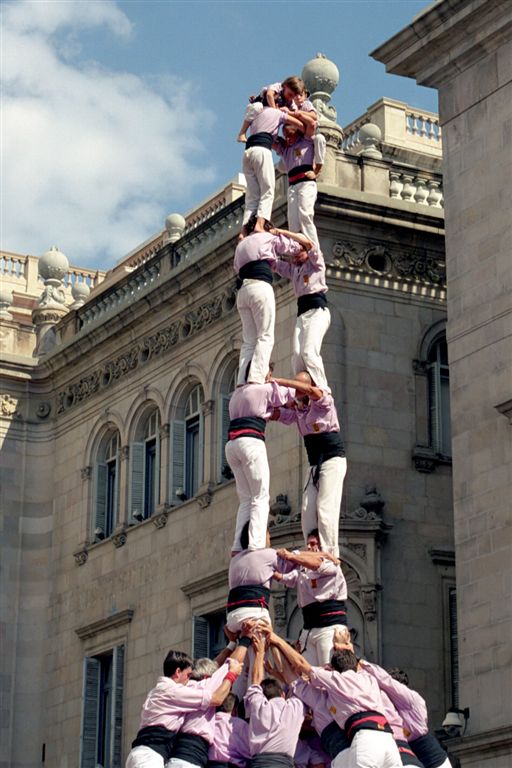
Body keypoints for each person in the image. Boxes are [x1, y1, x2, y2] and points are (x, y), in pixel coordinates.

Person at [267, 634, 403, 768]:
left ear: (332, 670)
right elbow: (290, 674)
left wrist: (275, 640)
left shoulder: (334, 683)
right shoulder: (368, 679)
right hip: (386, 739)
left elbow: (298, 668)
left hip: (359, 741)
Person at [271, 372, 347, 557]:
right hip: (314, 465)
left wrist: (279, 381)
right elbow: (276, 413)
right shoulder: (299, 412)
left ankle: (330, 555)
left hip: (332, 460)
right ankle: (312, 549)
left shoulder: (323, 402)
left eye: (299, 388)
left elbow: (310, 390)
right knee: (307, 509)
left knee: (325, 507)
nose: (296, 392)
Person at [126, 650, 242, 768]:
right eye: (188, 676)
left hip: (139, 754)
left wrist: (231, 645)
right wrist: (232, 674)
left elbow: (210, 678)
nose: (189, 681)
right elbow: (216, 698)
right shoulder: (173, 691)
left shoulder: (158, 689)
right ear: (177, 672)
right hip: (149, 757)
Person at [234, 219, 313, 387]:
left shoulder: (240, 246)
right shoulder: (266, 237)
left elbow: (237, 268)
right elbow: (298, 247)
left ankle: (242, 379)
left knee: (249, 340)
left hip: (243, 292)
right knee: (265, 336)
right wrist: (280, 233)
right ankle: (256, 377)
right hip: (260, 287)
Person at [225, 370, 295, 551]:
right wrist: (278, 381)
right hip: (251, 443)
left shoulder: (236, 396)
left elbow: (273, 412)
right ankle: (255, 544)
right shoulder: (262, 389)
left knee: (246, 499)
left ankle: (238, 546)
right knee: (260, 497)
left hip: (232, 446)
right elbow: (293, 393)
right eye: (268, 372)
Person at [273, 529, 348, 665]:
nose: (308, 547)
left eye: (313, 544)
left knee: (328, 671)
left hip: (329, 627)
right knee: (307, 675)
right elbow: (288, 577)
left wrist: (292, 555)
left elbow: (317, 564)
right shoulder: (303, 569)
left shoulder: (331, 563)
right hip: (309, 628)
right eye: (307, 544)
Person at [271, 225, 330, 389]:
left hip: (317, 311)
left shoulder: (316, 263)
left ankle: (322, 389)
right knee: (297, 356)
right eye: (293, 254)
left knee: (309, 352)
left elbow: (309, 244)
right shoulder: (295, 270)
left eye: (298, 252)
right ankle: (302, 392)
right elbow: (275, 264)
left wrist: (283, 232)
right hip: (302, 313)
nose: (295, 257)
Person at [361, 664, 451, 768]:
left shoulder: (412, 699)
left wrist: (362, 665)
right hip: (409, 755)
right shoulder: (389, 706)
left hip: (433, 758)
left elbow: (387, 682)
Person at [240, 106, 305, 235]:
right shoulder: (278, 113)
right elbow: (301, 125)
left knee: (252, 197)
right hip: (262, 151)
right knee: (268, 190)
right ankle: (259, 225)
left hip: (248, 152)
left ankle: (243, 232)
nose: (287, 139)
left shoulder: (258, 114)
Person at [244, 633, 306, 768]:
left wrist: (259, 653)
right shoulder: (295, 706)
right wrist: (276, 644)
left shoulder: (258, 705)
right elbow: (294, 681)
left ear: (263, 695)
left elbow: (255, 681)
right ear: (283, 694)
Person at [274, 127, 326, 248]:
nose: (288, 138)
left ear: (297, 132)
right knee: (293, 222)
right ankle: (297, 249)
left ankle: (314, 249)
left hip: (306, 182)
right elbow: (271, 141)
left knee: (305, 214)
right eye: (285, 135)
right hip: (292, 186)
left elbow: (319, 138)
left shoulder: (306, 141)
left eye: (290, 134)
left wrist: (316, 170)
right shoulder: (286, 149)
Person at [238, 76, 316, 144]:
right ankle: (242, 132)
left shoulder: (291, 102)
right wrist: (275, 110)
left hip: (268, 116)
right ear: (285, 86)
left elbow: (293, 113)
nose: (291, 98)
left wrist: (287, 111)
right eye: (290, 94)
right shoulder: (278, 87)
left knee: (275, 125)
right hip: (262, 106)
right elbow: (269, 95)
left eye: (293, 96)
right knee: (256, 107)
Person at [207, 693, 251, 768]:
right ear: (235, 709)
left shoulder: (208, 721)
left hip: (210, 764)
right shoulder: (241, 724)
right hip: (232, 765)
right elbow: (249, 751)